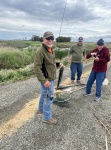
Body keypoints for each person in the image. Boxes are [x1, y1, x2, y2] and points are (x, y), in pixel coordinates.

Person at [34, 31, 61, 125]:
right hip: (47, 79)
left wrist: (58, 64)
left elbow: (50, 63)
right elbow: (37, 67)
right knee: (50, 97)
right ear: (43, 39)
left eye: (52, 38)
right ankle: (46, 117)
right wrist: (44, 81)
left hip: (50, 77)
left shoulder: (50, 49)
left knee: (44, 93)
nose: (50, 40)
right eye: (48, 38)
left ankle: (41, 109)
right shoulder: (40, 51)